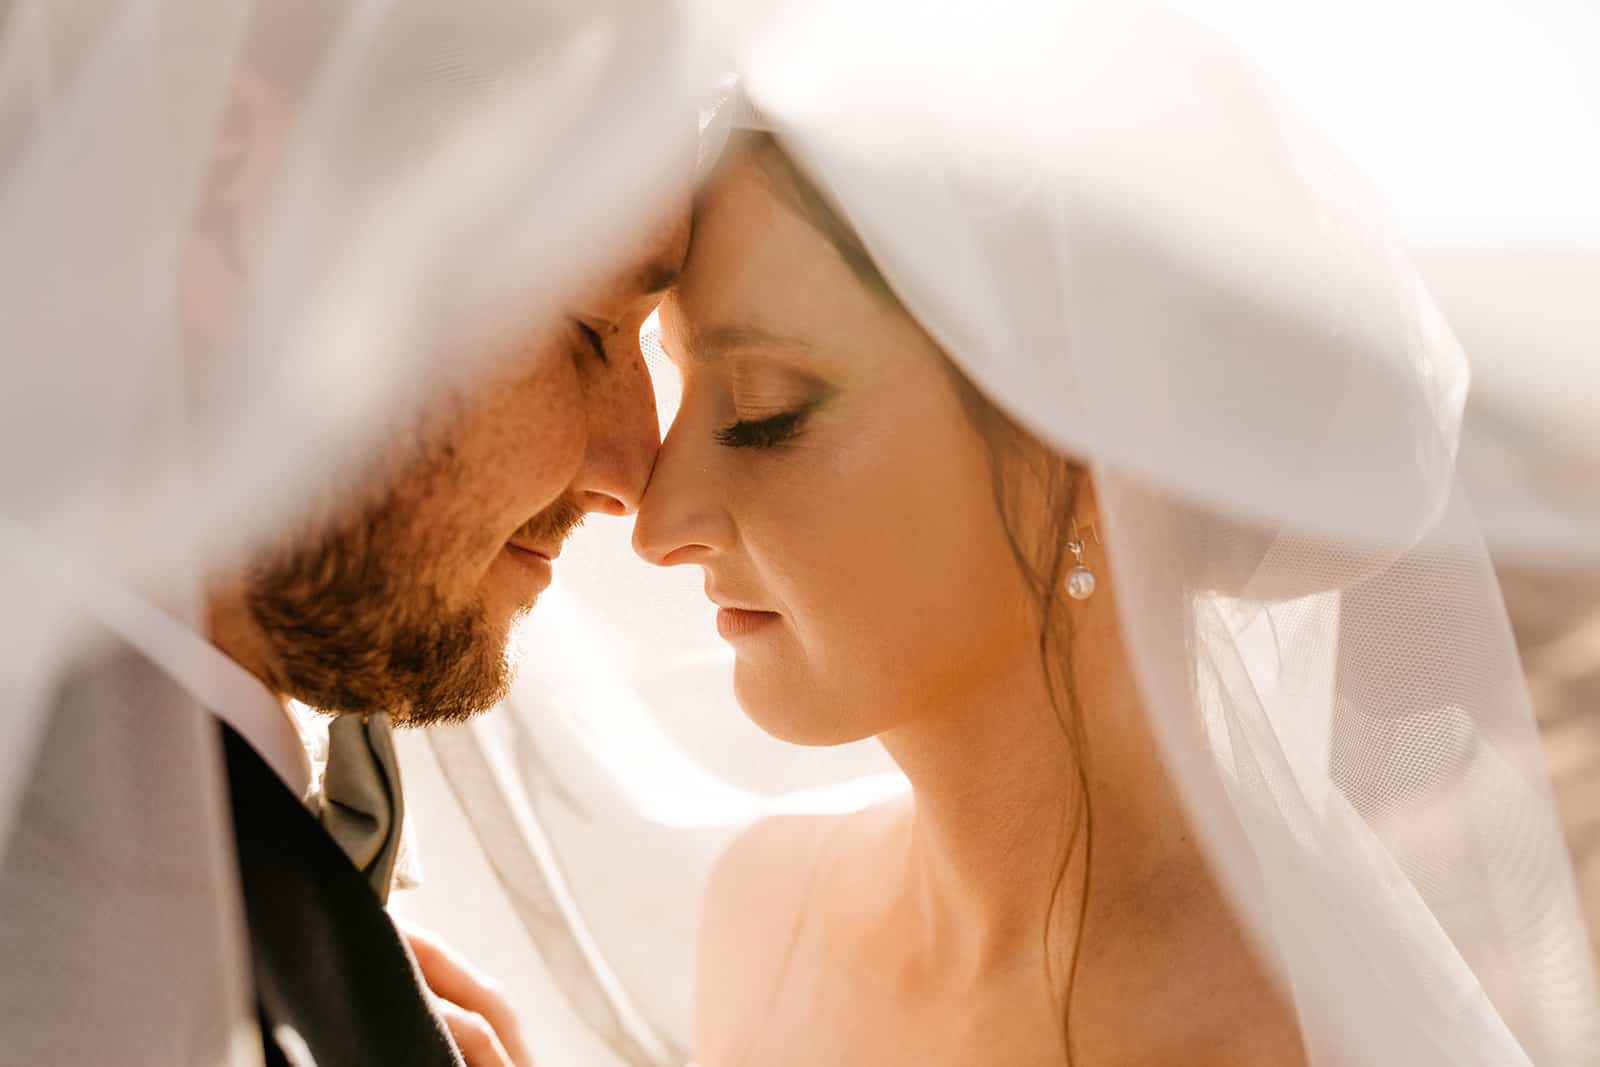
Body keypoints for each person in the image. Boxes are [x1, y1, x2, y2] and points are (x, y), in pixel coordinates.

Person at [617, 4, 1600, 1062]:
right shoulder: (763, 913)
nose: (656, 521)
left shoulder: (1280, 1039)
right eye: (679, 381)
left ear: (1084, 447)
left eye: (764, 405)